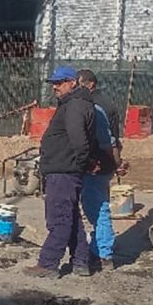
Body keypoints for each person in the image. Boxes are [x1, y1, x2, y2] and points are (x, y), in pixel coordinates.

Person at [26, 66, 96, 278]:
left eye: (60, 82)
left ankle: (48, 264)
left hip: (63, 171)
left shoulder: (74, 107)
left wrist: (80, 162)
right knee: (71, 217)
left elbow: (79, 140)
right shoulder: (75, 104)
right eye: (53, 83)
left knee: (59, 219)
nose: (55, 87)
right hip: (66, 169)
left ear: (73, 82)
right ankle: (81, 262)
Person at [77, 69, 127, 271]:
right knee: (99, 205)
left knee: (97, 208)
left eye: (79, 84)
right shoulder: (108, 104)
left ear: (90, 84)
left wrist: (113, 162)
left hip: (96, 163)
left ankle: (103, 253)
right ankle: (101, 248)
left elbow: (108, 140)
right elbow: (115, 138)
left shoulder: (95, 107)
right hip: (105, 162)